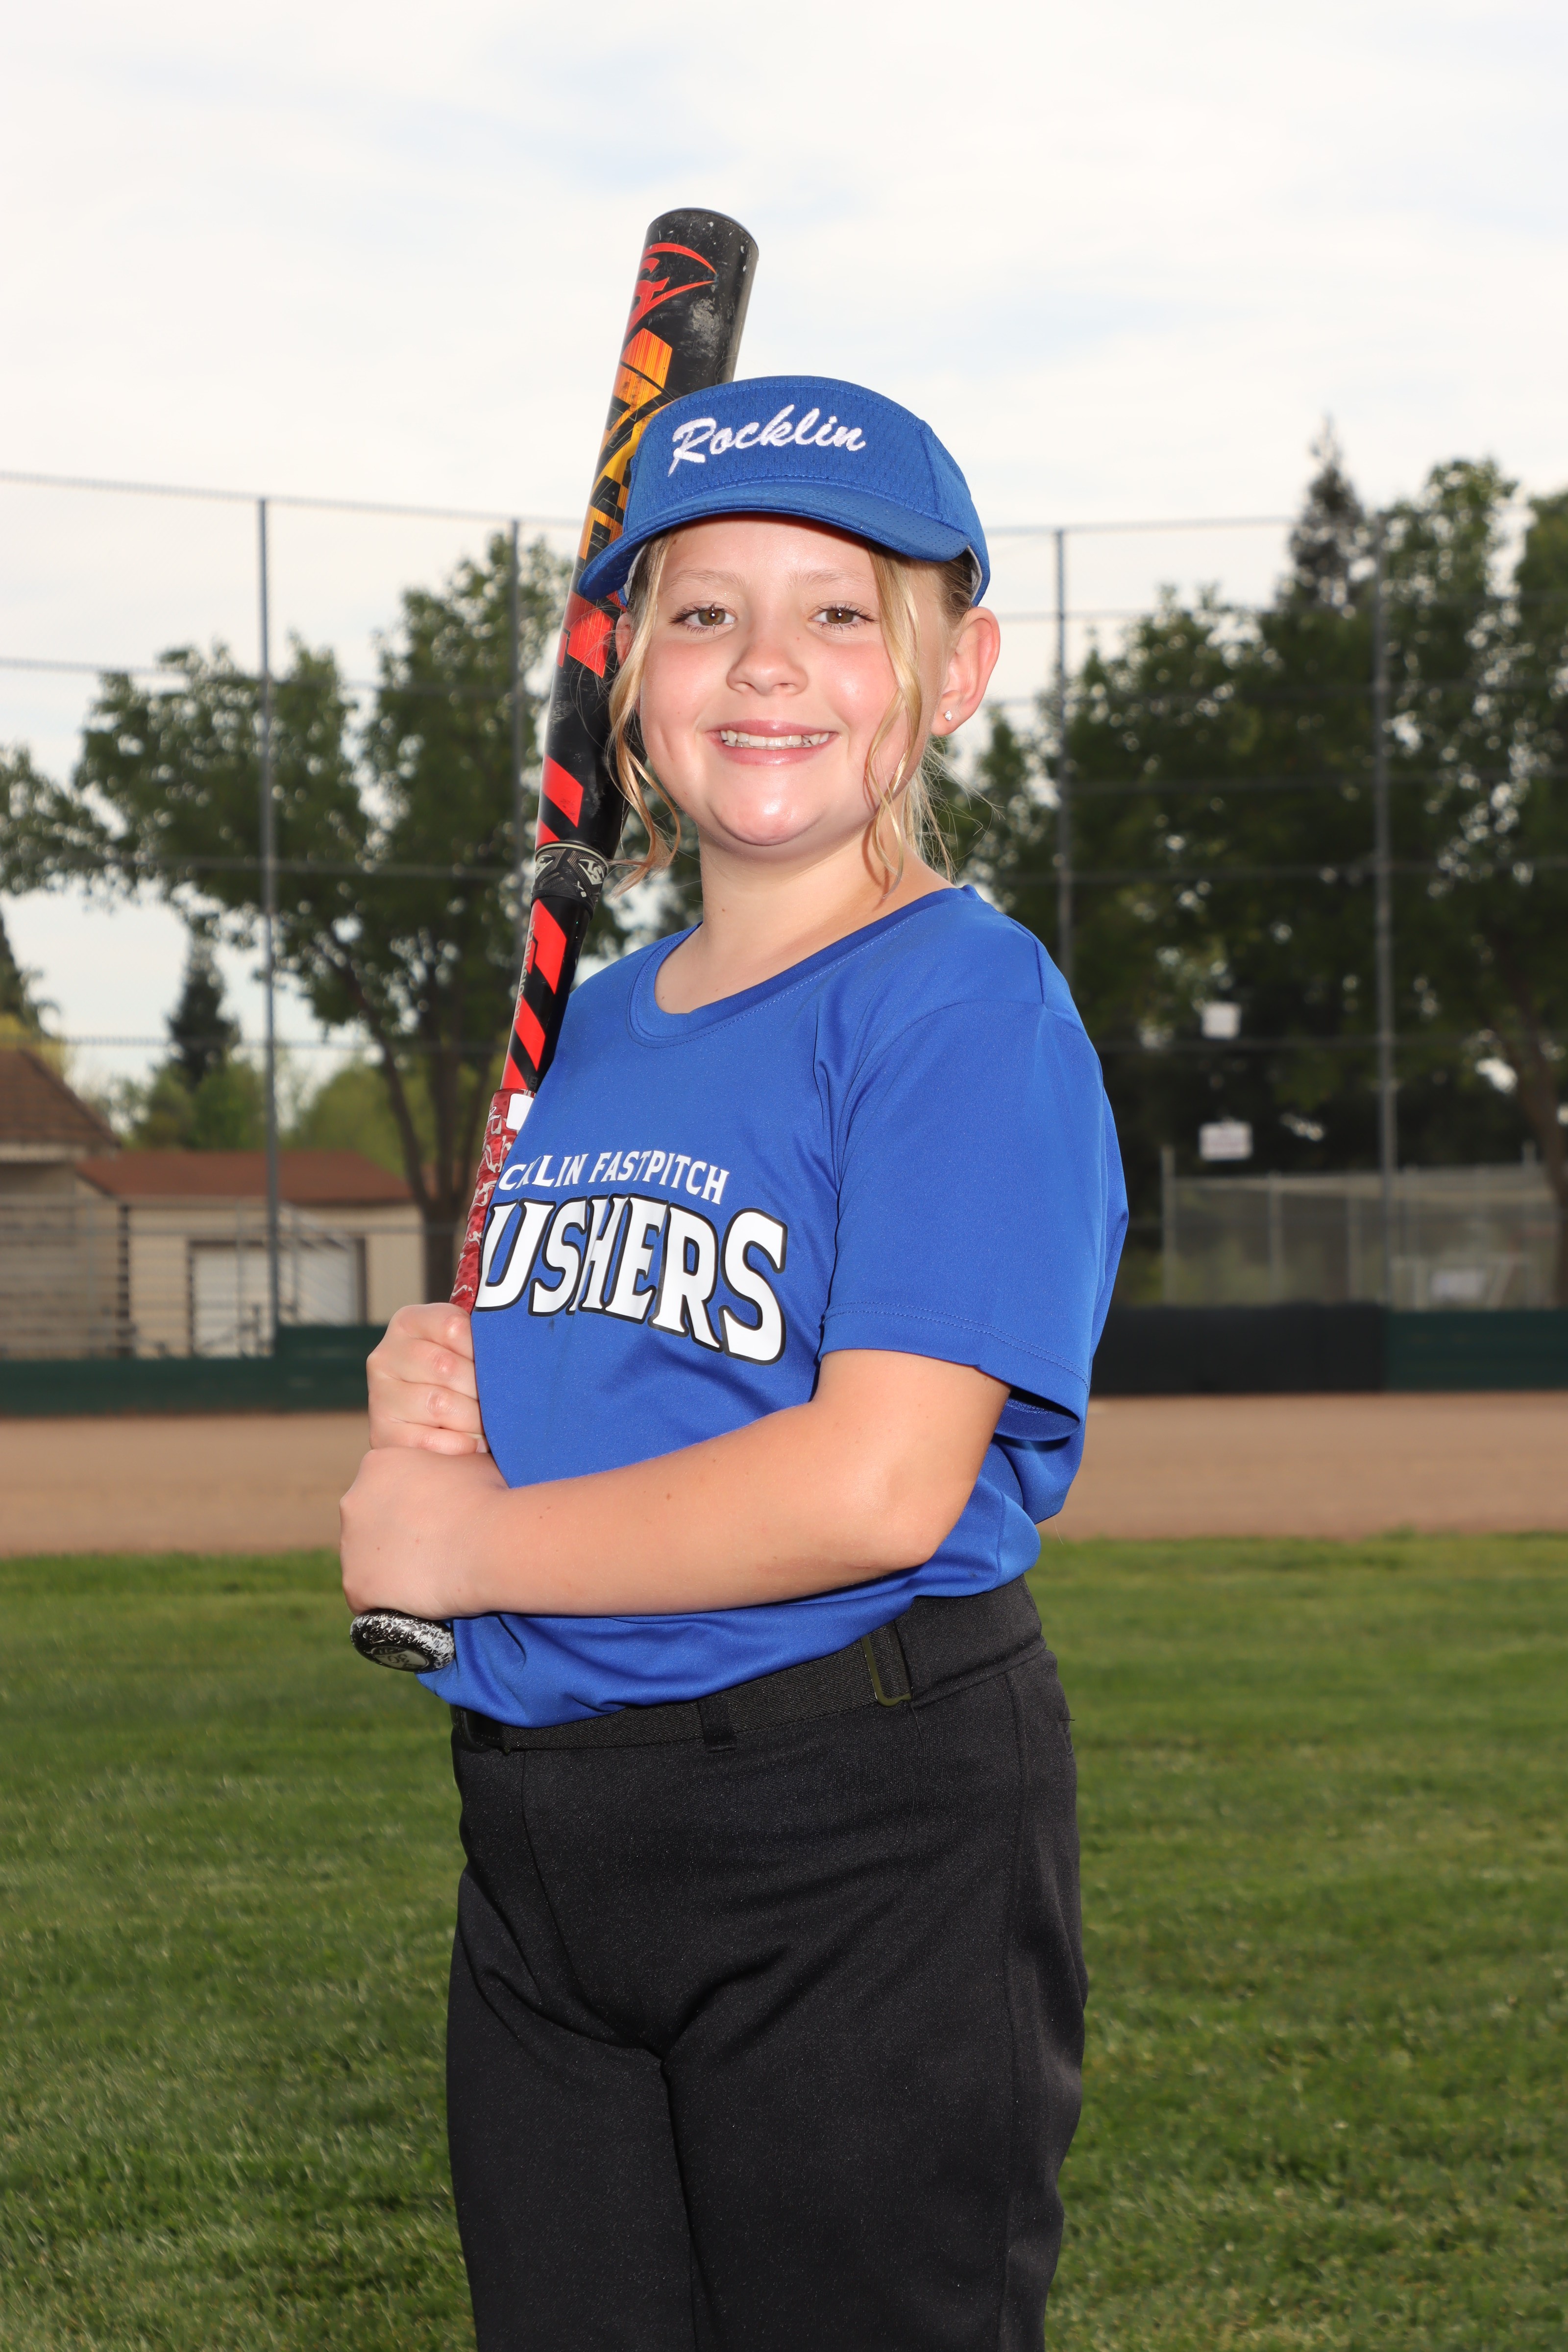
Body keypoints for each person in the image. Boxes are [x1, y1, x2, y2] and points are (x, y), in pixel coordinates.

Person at [341, 375, 1127, 2352]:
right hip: (544, 1842)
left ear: (955, 676)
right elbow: (611, 1382)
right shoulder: (588, 1032)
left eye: (840, 611)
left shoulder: (960, 1003)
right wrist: (445, 1393)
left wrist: (462, 1546)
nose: (766, 663)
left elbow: (875, 1484)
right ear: (625, 683)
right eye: (701, 613)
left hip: (849, 1821)